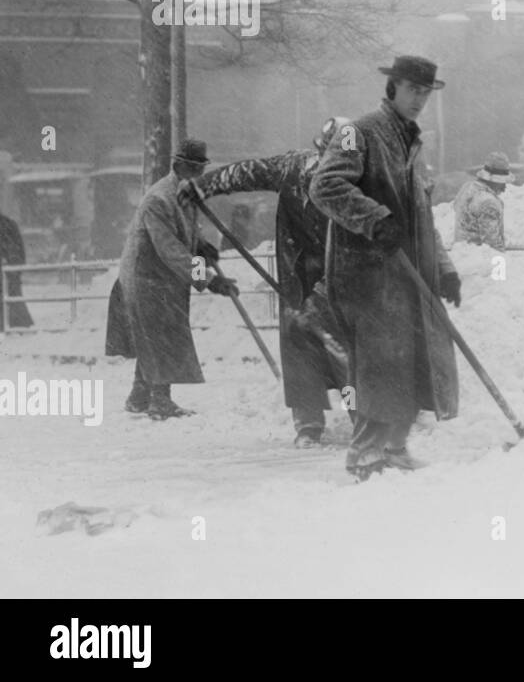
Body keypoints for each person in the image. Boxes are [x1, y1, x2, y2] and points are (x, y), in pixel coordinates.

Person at [309, 56, 461, 480]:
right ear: (392, 87)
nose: (420, 99)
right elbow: (325, 186)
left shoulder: (411, 142)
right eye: (413, 90)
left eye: (426, 92)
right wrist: (375, 219)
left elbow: (422, 217)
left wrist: (445, 268)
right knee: (379, 366)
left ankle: (393, 447)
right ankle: (365, 455)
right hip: (366, 276)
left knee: (411, 362)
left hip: (406, 274)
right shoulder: (360, 133)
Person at [179, 117, 352, 447]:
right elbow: (245, 172)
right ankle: (308, 425)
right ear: (320, 152)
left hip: (340, 280)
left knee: (345, 353)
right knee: (302, 352)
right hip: (299, 277)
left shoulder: (357, 186)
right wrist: (205, 186)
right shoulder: (293, 168)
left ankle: (362, 417)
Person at [105, 139, 237, 420]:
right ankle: (160, 402)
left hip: (161, 279)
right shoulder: (159, 198)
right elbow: (170, 249)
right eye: (196, 168)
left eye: (201, 168)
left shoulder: (183, 196)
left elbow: (183, 232)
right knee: (159, 337)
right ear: (180, 166)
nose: (200, 175)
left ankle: (139, 397)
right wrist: (209, 279)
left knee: (153, 336)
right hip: (145, 279)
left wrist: (201, 244)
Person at [453, 151, 512, 250]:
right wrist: (501, 263)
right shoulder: (488, 203)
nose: (504, 188)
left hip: (461, 256)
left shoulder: (467, 189)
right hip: (480, 261)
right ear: (493, 180)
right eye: (502, 182)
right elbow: (493, 246)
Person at [0, 208, 34, 328]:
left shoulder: (8, 225)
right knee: (14, 299)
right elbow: (19, 250)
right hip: (11, 270)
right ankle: (19, 324)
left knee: (13, 298)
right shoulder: (10, 224)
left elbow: (17, 249)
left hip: (10, 270)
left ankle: (16, 324)